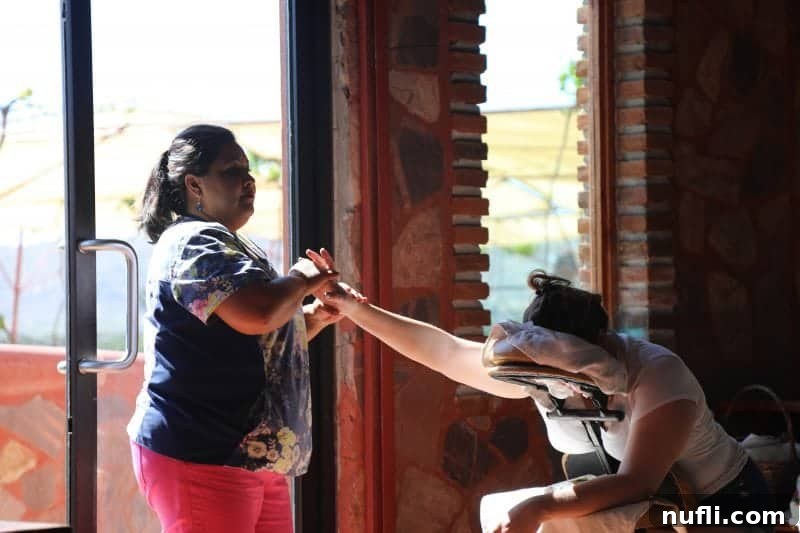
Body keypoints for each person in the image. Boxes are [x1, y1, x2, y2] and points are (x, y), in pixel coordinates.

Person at [319, 268, 774, 533]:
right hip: (662, 508)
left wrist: (540, 506)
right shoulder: (540, 369)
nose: (569, 384)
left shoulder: (657, 375)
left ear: (598, 346)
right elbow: (442, 351)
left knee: (548, 516)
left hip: (733, 506)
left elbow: (637, 481)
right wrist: (357, 309)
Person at [127, 124, 342, 533]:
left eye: (248, 170)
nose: (248, 181)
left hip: (246, 451)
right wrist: (302, 276)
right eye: (231, 171)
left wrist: (313, 317)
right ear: (194, 184)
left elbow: (254, 335)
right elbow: (258, 313)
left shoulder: (226, 243)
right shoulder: (193, 242)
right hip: (202, 450)